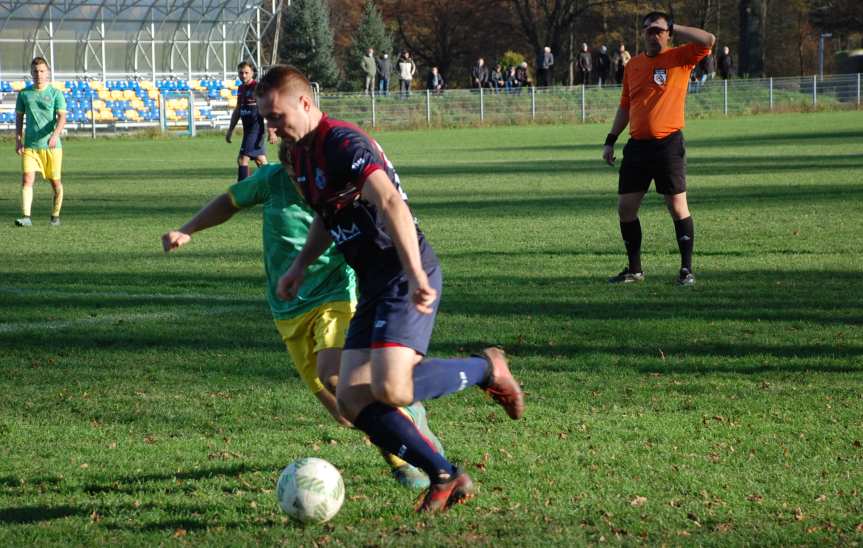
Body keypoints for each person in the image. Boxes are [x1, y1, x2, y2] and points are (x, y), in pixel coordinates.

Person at [255, 65, 525, 513]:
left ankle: (487, 369)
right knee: (352, 396)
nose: (271, 127)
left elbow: (391, 202)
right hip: (374, 281)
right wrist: (300, 266)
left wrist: (416, 273)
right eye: (265, 118)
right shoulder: (300, 156)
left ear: (304, 103)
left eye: (276, 115)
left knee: (393, 388)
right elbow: (328, 216)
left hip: (403, 273)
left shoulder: (343, 142)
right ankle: (444, 473)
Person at [160, 145, 446, 490]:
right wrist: (188, 229)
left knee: (339, 379)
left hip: (336, 294)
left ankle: (409, 460)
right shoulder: (271, 180)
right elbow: (229, 201)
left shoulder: (337, 183)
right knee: (344, 412)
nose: (303, 183)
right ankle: (405, 411)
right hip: (288, 308)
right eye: (296, 175)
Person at [601, 11, 715, 287]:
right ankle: (635, 270)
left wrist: (674, 26)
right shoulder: (634, 66)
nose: (653, 35)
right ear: (642, 34)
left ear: (667, 33)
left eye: (659, 30)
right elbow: (626, 106)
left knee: (677, 207)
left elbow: (708, 39)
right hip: (637, 147)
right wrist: (610, 138)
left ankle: (686, 270)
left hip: (668, 145)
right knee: (625, 209)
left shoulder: (680, 58)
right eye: (649, 31)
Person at [14, 57, 66, 227]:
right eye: (35, 71)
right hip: (30, 146)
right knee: (27, 179)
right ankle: (26, 217)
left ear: (47, 73)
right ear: (31, 73)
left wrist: (55, 135)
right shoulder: (24, 94)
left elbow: (62, 117)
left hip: (52, 148)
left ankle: (55, 215)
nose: (39, 74)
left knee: (55, 182)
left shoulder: (55, 93)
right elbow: (19, 118)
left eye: (42, 71)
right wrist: (18, 140)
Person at [226, 62, 274, 181]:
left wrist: (271, 130)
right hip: (248, 130)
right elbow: (238, 110)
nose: (243, 75)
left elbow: (267, 108)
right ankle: (275, 184)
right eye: (241, 73)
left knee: (242, 159)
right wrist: (230, 130)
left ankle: (242, 189)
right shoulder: (241, 88)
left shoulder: (258, 88)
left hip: (256, 129)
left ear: (252, 73)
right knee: (260, 160)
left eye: (246, 73)